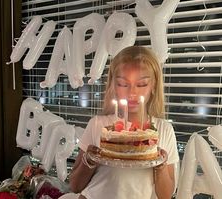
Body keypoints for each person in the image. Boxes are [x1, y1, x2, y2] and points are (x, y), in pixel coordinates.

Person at [69, 46, 179, 199]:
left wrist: (160, 165)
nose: (132, 93)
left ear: (153, 86)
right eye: (122, 84)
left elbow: (166, 195)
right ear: (113, 85)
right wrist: (89, 160)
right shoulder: (98, 125)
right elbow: (75, 186)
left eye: (141, 85)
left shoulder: (164, 130)